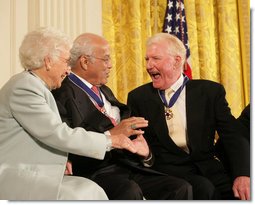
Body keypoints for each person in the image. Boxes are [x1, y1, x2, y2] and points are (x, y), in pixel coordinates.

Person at [0, 27, 140, 200]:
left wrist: (63, 158)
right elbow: (57, 133)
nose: (68, 69)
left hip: (38, 171)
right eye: (66, 61)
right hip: (19, 176)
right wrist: (110, 140)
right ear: (48, 61)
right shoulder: (25, 88)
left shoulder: (33, 85)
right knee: (86, 193)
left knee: (91, 190)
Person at [52, 33, 192, 200]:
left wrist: (145, 153)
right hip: (96, 170)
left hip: (126, 166)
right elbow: (66, 139)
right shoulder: (61, 93)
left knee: (179, 188)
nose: (110, 65)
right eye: (105, 59)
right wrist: (114, 134)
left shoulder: (104, 90)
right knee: (129, 190)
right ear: (84, 62)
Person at [127, 33, 250, 200]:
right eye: (147, 59)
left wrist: (243, 174)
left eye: (155, 58)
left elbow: (233, 136)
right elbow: (139, 146)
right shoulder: (138, 97)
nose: (149, 65)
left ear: (177, 61)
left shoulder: (210, 92)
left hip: (208, 168)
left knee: (241, 193)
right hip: (169, 172)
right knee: (204, 189)